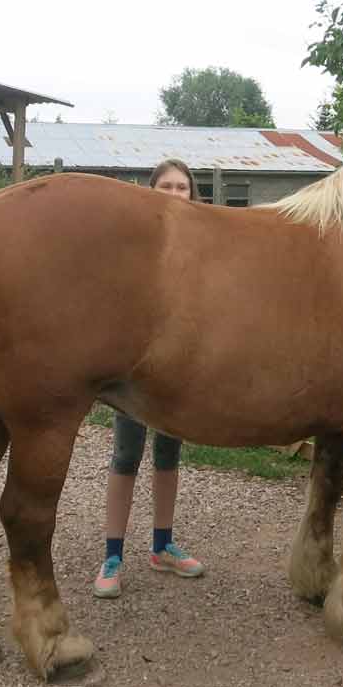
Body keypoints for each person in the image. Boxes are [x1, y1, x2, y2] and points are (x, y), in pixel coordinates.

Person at [93, 158, 206, 599]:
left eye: (182, 188)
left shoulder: (200, 247)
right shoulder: (132, 245)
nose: (175, 195)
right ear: (150, 191)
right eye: (166, 187)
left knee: (168, 455)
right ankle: (112, 555)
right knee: (126, 455)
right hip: (135, 371)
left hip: (176, 370)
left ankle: (162, 547)